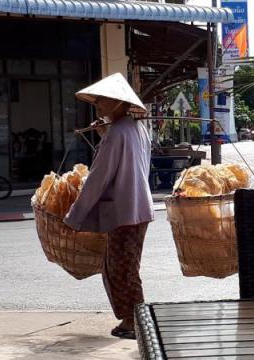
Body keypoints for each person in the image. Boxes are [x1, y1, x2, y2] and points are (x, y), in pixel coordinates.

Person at [63, 73, 154, 339]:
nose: (98, 107)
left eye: (102, 101)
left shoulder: (117, 133)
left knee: (122, 269)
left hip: (125, 210)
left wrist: (74, 216)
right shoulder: (136, 129)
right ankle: (132, 318)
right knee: (121, 266)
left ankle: (134, 321)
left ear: (116, 102)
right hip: (137, 206)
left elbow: (98, 178)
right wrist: (105, 133)